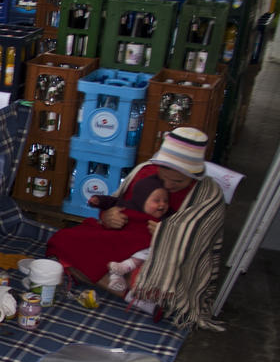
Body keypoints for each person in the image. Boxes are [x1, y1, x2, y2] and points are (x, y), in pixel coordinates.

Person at [47, 127, 224, 325]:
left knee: (149, 276)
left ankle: (131, 289)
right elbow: (118, 201)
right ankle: (134, 297)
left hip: (162, 257)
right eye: (163, 177)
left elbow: (201, 241)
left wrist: (168, 235)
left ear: (194, 177)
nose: (168, 185)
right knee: (64, 242)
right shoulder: (145, 172)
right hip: (124, 238)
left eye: (178, 181)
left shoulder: (208, 195)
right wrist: (107, 215)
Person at [87, 174, 171, 293]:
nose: (162, 205)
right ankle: (116, 277)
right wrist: (98, 200)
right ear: (142, 199)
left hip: (144, 247)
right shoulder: (128, 206)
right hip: (124, 240)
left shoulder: (166, 218)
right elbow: (111, 202)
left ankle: (125, 269)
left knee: (148, 250)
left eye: (166, 201)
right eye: (156, 201)